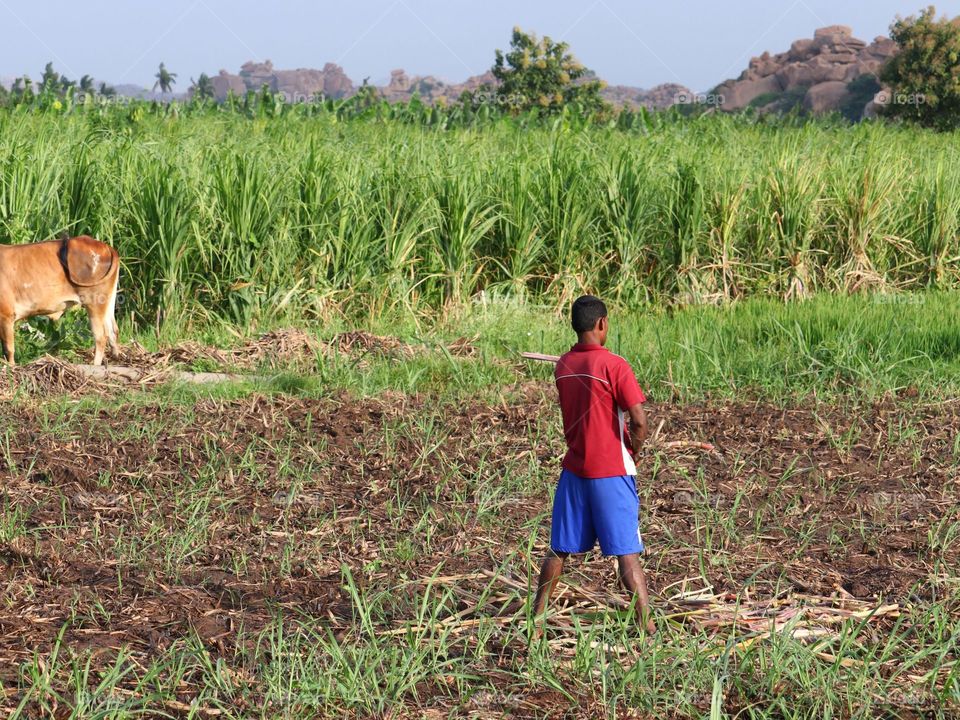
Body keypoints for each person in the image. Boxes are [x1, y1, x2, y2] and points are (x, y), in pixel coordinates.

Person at [532, 295, 654, 634]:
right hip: (611, 471)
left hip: (574, 470)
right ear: (602, 325)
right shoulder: (614, 365)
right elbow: (639, 420)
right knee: (627, 552)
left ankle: (536, 622)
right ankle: (648, 628)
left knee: (558, 549)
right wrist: (636, 452)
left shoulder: (564, 365)